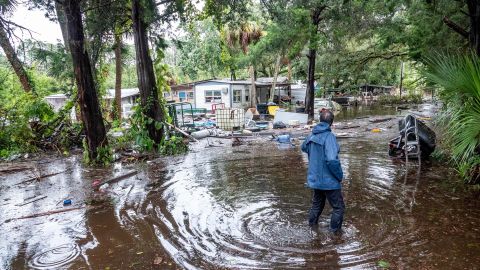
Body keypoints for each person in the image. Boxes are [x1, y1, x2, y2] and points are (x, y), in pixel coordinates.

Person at [301, 109, 345, 233]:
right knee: (338, 208)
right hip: (329, 181)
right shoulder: (329, 136)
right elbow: (332, 160)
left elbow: (304, 147)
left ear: (320, 121)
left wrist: (315, 154)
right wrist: (339, 176)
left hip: (315, 180)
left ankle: (312, 229)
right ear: (331, 123)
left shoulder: (312, 134)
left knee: (316, 206)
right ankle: (335, 235)